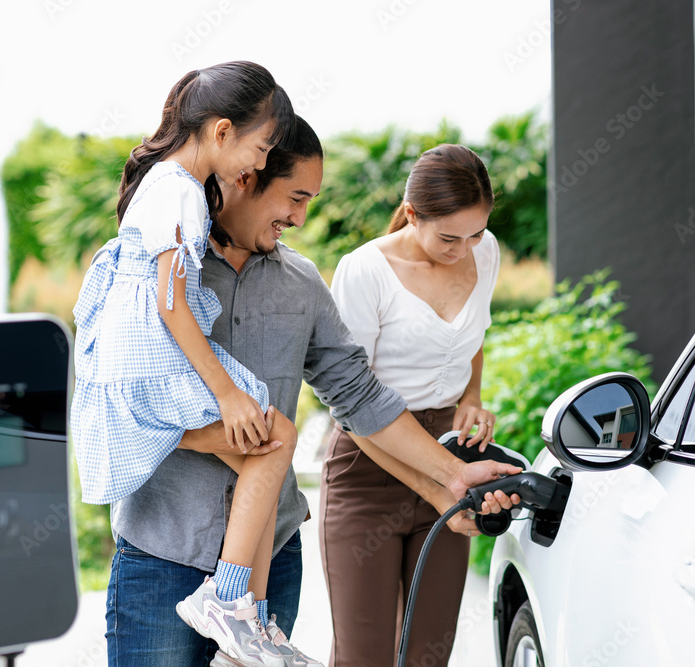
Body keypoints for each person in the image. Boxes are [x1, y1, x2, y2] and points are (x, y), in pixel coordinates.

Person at [103, 116, 521, 667]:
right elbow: (119, 395)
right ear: (247, 178)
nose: (301, 217)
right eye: (295, 198)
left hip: (271, 560)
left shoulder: (303, 283)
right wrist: (203, 431)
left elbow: (357, 393)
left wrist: (450, 480)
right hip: (162, 556)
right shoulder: (160, 271)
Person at [71, 61, 319, 667]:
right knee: (276, 435)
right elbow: (173, 304)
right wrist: (228, 395)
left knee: (259, 453)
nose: (257, 167)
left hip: (136, 363)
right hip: (152, 363)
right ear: (223, 130)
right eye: (260, 150)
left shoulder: (165, 185)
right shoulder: (179, 189)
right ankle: (232, 603)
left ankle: (245, 614)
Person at [322, 144, 503, 667]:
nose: (464, 249)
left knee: (430, 652)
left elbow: (473, 335)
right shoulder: (366, 271)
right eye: (449, 237)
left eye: (475, 234)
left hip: (450, 455)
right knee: (365, 656)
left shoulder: (484, 252)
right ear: (412, 212)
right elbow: (352, 401)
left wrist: (471, 397)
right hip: (370, 463)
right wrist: (440, 483)